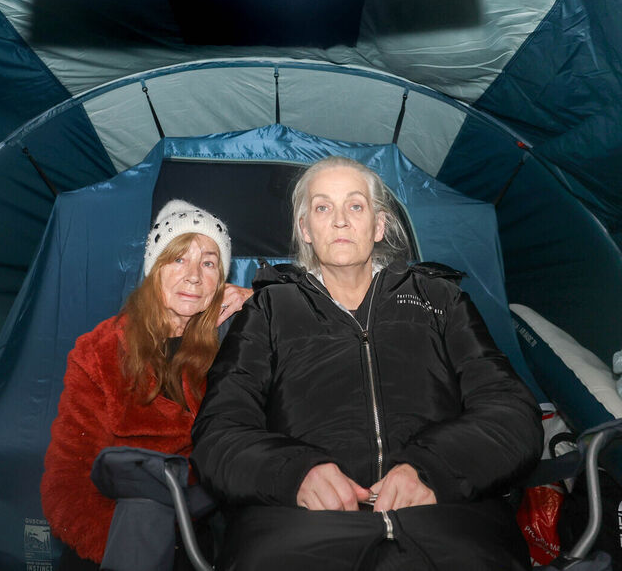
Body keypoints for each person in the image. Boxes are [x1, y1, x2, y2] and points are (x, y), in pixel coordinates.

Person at [192, 156, 543, 570]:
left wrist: (431, 470)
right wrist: (295, 474)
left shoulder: (439, 299)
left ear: (378, 226)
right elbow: (219, 430)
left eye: (355, 206)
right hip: (297, 526)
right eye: (323, 207)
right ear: (306, 229)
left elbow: (512, 413)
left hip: (449, 521)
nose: (340, 220)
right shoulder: (268, 310)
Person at [41, 200, 249, 569]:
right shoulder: (99, 352)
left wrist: (259, 301)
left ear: (221, 281)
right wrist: (131, 551)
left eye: (209, 262)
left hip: (200, 527)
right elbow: (66, 482)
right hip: (115, 531)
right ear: (154, 268)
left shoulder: (228, 346)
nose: (194, 276)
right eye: (178, 259)